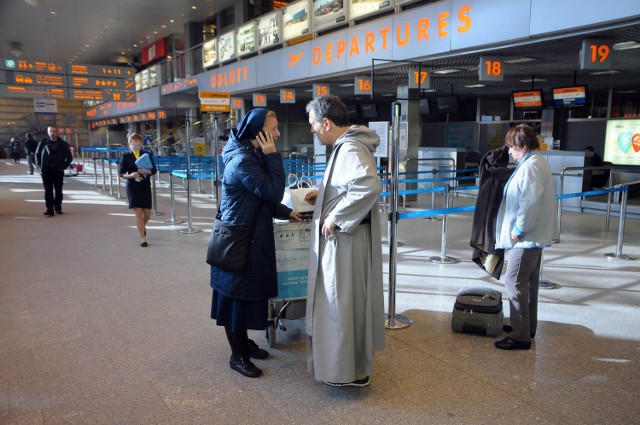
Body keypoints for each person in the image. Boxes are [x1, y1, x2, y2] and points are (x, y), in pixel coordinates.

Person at [210, 108, 302, 378]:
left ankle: (244, 342)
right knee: (235, 298)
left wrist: (286, 212)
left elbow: (261, 197)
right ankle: (236, 355)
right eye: (272, 129)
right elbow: (272, 190)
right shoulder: (242, 160)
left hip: (248, 235)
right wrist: (273, 155)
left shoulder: (250, 155)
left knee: (247, 295)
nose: (277, 133)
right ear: (258, 133)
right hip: (238, 242)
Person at [303, 95, 384, 387]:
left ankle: (344, 369)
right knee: (344, 302)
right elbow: (349, 186)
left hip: (344, 243)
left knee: (339, 303)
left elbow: (367, 185)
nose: (312, 130)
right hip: (347, 242)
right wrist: (323, 194)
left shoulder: (349, 148)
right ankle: (349, 367)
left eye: (313, 124)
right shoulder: (347, 146)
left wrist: (335, 216)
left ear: (326, 122)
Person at [494, 124, 556, 350]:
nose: (509, 152)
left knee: (514, 280)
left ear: (521, 145)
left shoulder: (531, 167)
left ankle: (520, 337)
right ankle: (527, 327)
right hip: (534, 236)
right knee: (528, 281)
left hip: (526, 237)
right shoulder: (535, 162)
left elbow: (530, 202)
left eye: (511, 147)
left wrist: (519, 229)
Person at [118, 133, 157, 247]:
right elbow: (121, 173)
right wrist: (130, 176)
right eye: (135, 141)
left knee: (148, 214)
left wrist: (146, 171)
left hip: (144, 186)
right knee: (138, 213)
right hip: (133, 187)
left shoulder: (146, 154)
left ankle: (141, 226)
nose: (138, 143)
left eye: (139, 141)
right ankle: (143, 238)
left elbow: (153, 170)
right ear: (130, 143)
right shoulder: (126, 156)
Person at [35, 126, 73, 216]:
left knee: (58, 190)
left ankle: (58, 208)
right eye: (50, 131)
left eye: (54, 131)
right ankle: (49, 209)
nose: (52, 133)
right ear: (48, 133)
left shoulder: (63, 144)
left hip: (58, 170)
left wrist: (63, 166)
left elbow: (69, 157)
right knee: (48, 191)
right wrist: (40, 167)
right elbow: (37, 155)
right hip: (46, 170)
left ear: (57, 132)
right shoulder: (43, 143)